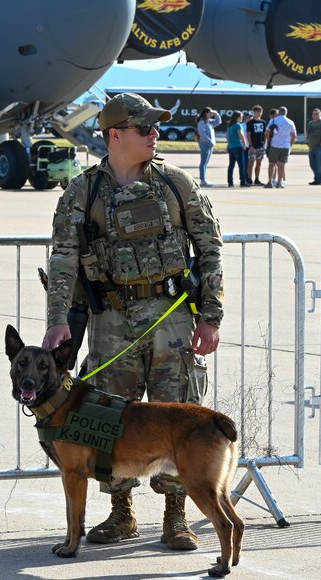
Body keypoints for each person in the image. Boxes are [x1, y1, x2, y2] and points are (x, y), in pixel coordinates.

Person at [41, 93, 224, 553]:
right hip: (111, 321)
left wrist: (210, 315)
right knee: (103, 421)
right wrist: (57, 320)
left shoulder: (176, 183)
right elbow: (63, 261)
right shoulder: (82, 192)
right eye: (145, 129)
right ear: (115, 135)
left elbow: (210, 249)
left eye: (155, 128)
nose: (155, 134)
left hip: (172, 319)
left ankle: (176, 518)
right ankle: (120, 513)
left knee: (177, 415)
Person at [264, 106, 297, 189]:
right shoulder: (290, 122)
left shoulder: (273, 120)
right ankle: (279, 182)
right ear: (286, 113)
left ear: (279, 112)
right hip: (285, 146)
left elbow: (267, 132)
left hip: (275, 145)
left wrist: (268, 142)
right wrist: (290, 144)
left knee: (272, 164)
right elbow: (294, 135)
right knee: (282, 165)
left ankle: (270, 182)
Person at [194, 107, 220, 187]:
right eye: (210, 113)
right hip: (205, 144)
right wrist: (211, 142)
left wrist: (216, 113)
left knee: (206, 163)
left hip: (210, 145)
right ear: (206, 113)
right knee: (203, 163)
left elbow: (218, 121)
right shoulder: (201, 122)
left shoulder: (209, 122)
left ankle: (204, 179)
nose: (211, 114)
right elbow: (203, 135)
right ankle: (202, 180)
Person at [306, 108, 321, 186]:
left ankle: (320, 180)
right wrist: (308, 141)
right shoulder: (311, 123)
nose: (315, 116)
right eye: (314, 114)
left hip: (320, 146)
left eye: (317, 114)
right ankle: (316, 178)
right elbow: (308, 133)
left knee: (320, 164)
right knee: (312, 164)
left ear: (320, 114)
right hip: (312, 146)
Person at [244, 105, 266, 186]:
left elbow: (264, 134)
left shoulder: (263, 122)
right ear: (254, 113)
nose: (258, 113)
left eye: (260, 111)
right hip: (253, 146)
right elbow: (248, 135)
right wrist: (251, 146)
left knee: (259, 163)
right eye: (257, 112)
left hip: (261, 146)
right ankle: (249, 179)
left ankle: (257, 179)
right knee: (251, 163)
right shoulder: (250, 123)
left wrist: (264, 144)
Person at [225, 110, 247, 187]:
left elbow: (227, 136)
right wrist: (244, 144)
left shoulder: (230, 125)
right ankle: (243, 182)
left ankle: (230, 182)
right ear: (237, 118)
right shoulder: (238, 125)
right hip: (238, 146)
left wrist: (230, 143)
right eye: (241, 117)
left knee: (231, 165)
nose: (242, 118)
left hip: (231, 147)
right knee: (241, 165)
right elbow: (241, 135)